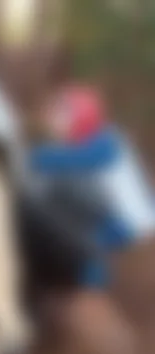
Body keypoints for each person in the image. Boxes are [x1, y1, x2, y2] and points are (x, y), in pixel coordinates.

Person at [30, 84, 155, 288]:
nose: (57, 123)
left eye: (64, 116)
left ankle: (90, 279)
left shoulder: (106, 142)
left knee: (75, 227)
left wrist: (29, 155)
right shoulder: (96, 140)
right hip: (123, 215)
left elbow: (56, 161)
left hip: (129, 224)